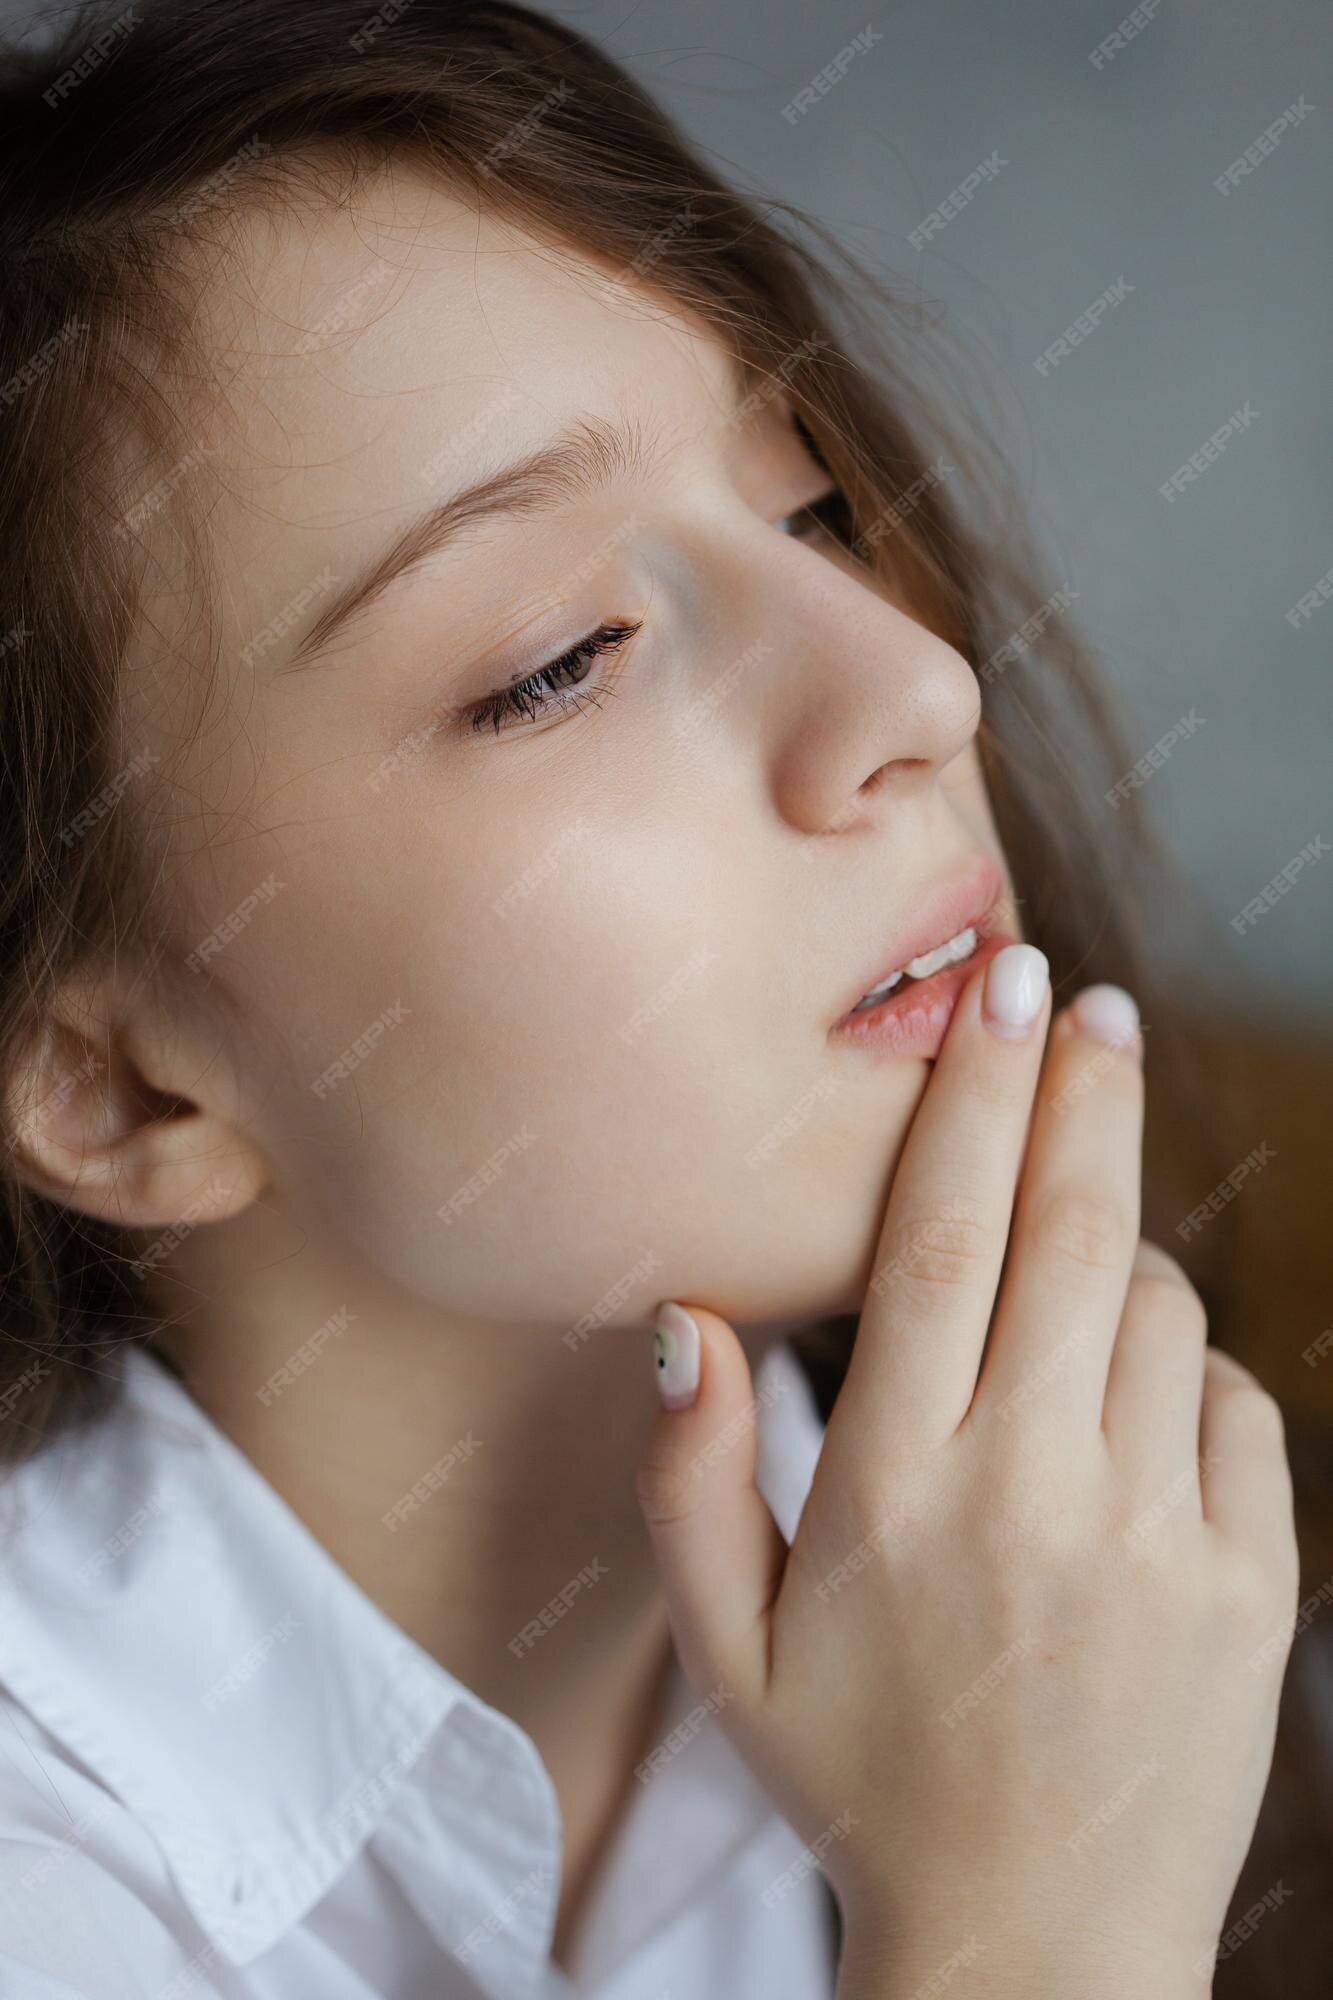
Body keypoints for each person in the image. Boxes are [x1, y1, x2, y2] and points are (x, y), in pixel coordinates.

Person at [0, 1, 1307, 1994]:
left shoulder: (1110, 1585)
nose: (913, 695)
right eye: (555, 659)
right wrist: (1028, 1931)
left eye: (812, 513)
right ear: (115, 1085)